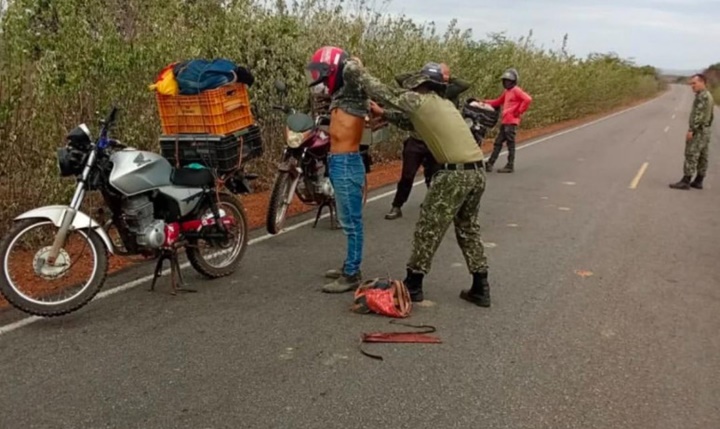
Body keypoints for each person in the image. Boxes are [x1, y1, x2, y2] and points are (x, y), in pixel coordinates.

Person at [348, 60, 492, 307]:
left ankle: (413, 284)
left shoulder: (419, 101)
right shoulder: (443, 104)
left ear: (422, 85)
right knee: (467, 229)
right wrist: (384, 114)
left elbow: (385, 93)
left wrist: (357, 71)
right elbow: (410, 123)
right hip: (477, 171)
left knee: (428, 228)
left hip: (454, 174)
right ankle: (481, 285)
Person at [306, 46, 369, 293]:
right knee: (347, 220)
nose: (319, 79)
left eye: (322, 72)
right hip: (339, 161)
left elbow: (357, 68)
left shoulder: (353, 90)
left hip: (346, 162)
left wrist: (348, 61)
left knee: (351, 222)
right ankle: (349, 267)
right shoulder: (342, 94)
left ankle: (352, 273)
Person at [384, 62, 471, 220]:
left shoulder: (447, 91)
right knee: (407, 176)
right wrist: (423, 74)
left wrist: (445, 77)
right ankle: (397, 206)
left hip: (435, 141)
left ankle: (432, 203)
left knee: (435, 176)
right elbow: (399, 78)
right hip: (416, 140)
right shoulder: (418, 91)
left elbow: (465, 84)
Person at [669, 73, 715, 190]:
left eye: (694, 83)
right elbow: (710, 116)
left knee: (691, 154)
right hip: (706, 130)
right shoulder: (708, 95)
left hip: (699, 130)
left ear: (702, 82)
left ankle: (686, 180)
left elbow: (698, 115)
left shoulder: (702, 96)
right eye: (691, 84)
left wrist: (692, 130)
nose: (692, 86)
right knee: (702, 156)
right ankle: (699, 180)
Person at [483, 68, 533, 173]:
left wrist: (519, 111)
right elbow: (497, 102)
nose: (506, 82)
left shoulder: (516, 90)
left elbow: (528, 99)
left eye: (509, 81)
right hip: (506, 121)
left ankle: (509, 165)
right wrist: (484, 102)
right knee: (498, 143)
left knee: (510, 144)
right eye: (505, 81)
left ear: (514, 81)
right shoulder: (507, 92)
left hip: (511, 122)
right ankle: (490, 163)